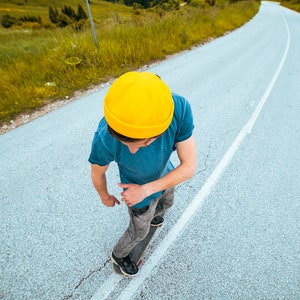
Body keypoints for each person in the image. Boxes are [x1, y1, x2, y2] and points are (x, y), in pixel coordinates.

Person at [88, 71, 196, 276]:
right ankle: (119, 256)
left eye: (142, 144)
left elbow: (189, 166)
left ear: (161, 128)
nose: (132, 151)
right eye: (125, 144)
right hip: (137, 195)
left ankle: (157, 215)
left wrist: (147, 189)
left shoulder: (178, 108)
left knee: (167, 203)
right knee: (139, 231)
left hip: (165, 178)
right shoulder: (105, 137)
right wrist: (104, 196)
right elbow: (96, 172)